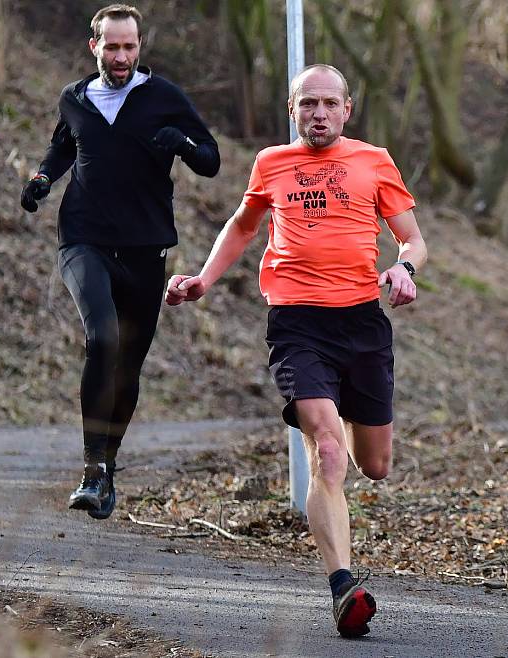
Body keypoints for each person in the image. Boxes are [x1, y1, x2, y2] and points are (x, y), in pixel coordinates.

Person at [165, 64, 426, 638]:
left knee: (372, 465)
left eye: (330, 103)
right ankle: (343, 587)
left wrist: (404, 269)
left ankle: (346, 484)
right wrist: (204, 280)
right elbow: (241, 227)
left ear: (347, 110)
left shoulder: (373, 161)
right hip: (296, 323)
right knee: (327, 451)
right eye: (308, 103)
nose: (319, 114)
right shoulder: (271, 165)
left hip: (361, 323)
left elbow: (413, 238)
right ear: (293, 110)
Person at [20, 4, 219, 520]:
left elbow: (211, 160)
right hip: (83, 238)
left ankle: (107, 468)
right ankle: (90, 468)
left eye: (129, 46)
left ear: (140, 46)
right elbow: (63, 148)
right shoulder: (76, 99)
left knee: (128, 366)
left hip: (146, 249)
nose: (122, 56)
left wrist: (182, 142)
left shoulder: (164, 98)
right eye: (112, 47)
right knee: (102, 339)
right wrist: (42, 180)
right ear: (95, 47)